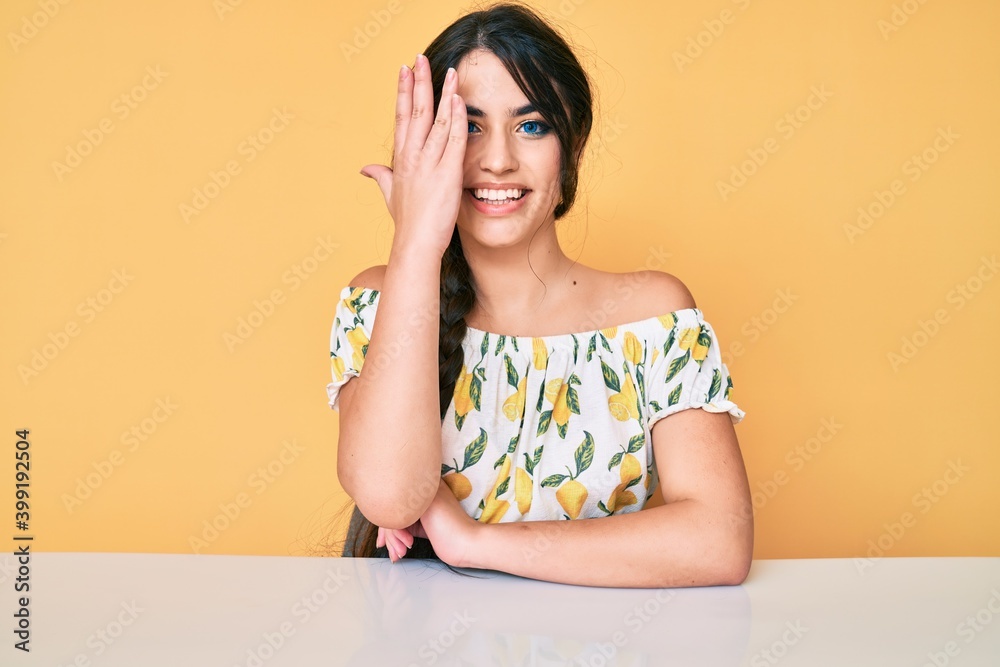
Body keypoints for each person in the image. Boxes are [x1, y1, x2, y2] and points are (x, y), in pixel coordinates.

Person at [326, 1, 753, 588]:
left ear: (571, 149)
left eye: (531, 126)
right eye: (468, 127)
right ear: (422, 148)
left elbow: (718, 542)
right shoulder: (378, 300)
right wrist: (416, 246)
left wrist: (474, 542)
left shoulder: (652, 316)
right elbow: (389, 499)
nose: (498, 160)